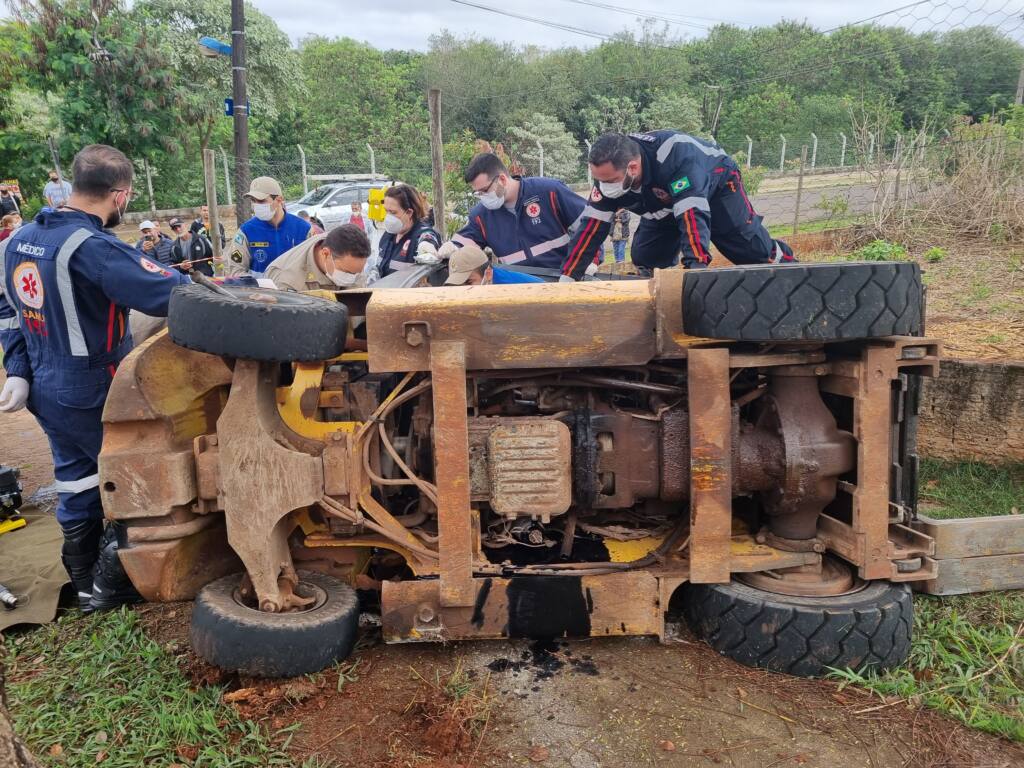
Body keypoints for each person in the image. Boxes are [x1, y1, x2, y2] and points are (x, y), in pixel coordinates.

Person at [0, 143, 190, 612]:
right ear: (120, 195)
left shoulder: (18, 240)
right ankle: (109, 587)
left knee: (76, 477)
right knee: (131, 476)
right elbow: (166, 292)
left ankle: (83, 583)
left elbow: (7, 309)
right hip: (91, 384)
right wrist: (236, 289)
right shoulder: (92, 247)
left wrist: (18, 369)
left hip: (44, 385)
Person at [561, 131, 794, 280]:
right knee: (646, 257)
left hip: (715, 187)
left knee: (748, 249)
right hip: (660, 202)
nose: (604, 187)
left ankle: (793, 270)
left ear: (632, 168)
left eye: (610, 181)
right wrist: (568, 277)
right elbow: (590, 229)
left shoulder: (675, 157)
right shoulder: (608, 176)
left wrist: (696, 273)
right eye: (599, 180)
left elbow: (692, 216)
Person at [440, 153, 600, 272]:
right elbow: (466, 240)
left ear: (502, 179)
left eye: (484, 190)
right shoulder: (482, 216)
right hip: (520, 287)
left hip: (564, 277)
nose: (483, 197)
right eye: (478, 193)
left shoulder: (548, 192)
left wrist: (590, 261)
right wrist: (451, 247)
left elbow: (590, 224)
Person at [223, 177, 311, 276]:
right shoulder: (246, 231)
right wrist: (254, 284)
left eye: (261, 201)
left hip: (293, 290)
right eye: (253, 200)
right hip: (260, 290)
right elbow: (235, 269)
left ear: (279, 200)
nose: (256, 205)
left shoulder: (304, 229)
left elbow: (315, 267)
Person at [266, 223, 371, 291]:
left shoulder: (349, 253)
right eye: (347, 273)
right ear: (325, 254)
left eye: (357, 273)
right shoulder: (286, 281)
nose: (352, 278)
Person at [377, 184, 440, 277]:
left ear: (409, 212)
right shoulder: (388, 235)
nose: (388, 217)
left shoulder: (421, 233)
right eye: (386, 211)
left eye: (393, 212)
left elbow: (427, 237)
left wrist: (426, 245)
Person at [444, 243, 544, 286]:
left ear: (488, 274)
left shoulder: (510, 289)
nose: (464, 290)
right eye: (458, 285)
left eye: (469, 282)